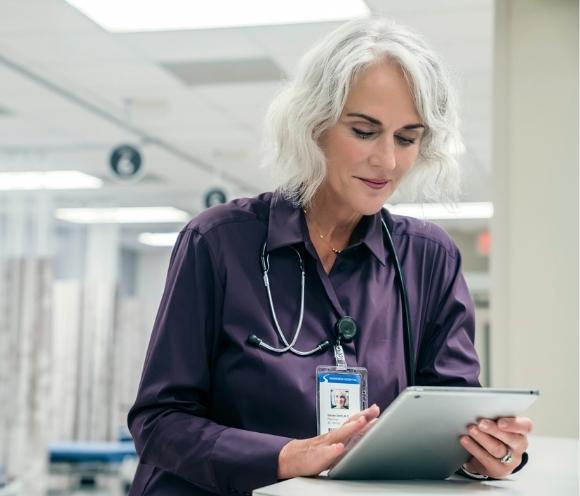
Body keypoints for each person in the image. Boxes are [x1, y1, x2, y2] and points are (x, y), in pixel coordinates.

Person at [127, 17, 533, 495]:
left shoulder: (429, 258)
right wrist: (280, 458)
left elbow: (451, 412)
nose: (387, 161)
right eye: (364, 131)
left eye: (406, 138)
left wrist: (488, 452)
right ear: (314, 123)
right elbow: (159, 421)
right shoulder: (217, 243)